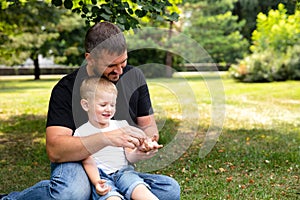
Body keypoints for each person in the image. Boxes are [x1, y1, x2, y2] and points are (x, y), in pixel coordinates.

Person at [2, 22, 180, 200]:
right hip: (78, 162)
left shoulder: (135, 77)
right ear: (90, 58)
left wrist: (147, 142)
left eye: (123, 62)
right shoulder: (66, 89)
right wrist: (106, 137)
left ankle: (102, 192)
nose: (119, 71)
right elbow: (55, 150)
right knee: (71, 193)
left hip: (116, 169)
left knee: (170, 191)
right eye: (111, 65)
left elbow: (148, 126)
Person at [76, 77, 162, 200]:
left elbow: (129, 156)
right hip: (101, 177)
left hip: (124, 173)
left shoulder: (122, 126)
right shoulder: (81, 132)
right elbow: (87, 161)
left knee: (142, 192)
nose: (109, 109)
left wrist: (139, 152)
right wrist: (96, 182)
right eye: (103, 105)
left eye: (112, 105)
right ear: (86, 105)